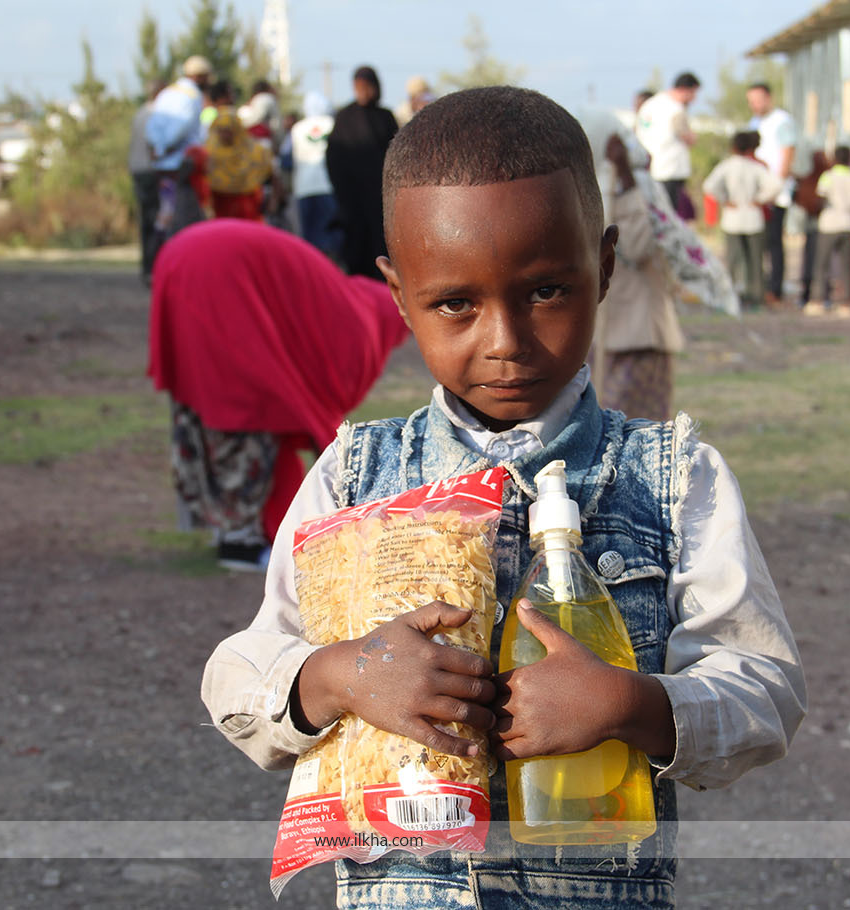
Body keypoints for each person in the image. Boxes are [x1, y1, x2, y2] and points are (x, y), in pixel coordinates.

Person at [202, 85, 805, 907]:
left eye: (546, 291)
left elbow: (765, 687)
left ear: (604, 267)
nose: (506, 341)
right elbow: (237, 672)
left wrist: (634, 704)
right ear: (399, 294)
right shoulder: (350, 475)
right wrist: (340, 675)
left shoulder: (675, 479)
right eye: (456, 303)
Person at [147, 220, 409, 571]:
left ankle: (229, 527)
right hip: (218, 273)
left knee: (207, 392)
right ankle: (240, 540)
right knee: (249, 403)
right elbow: (329, 384)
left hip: (183, 258)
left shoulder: (344, 294)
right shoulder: (360, 321)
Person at [584, 113, 685, 420]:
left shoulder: (642, 189)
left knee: (637, 429)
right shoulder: (583, 188)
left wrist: (626, 176)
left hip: (640, 335)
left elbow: (639, 246)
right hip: (600, 335)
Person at [325, 65, 398, 280]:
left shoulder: (385, 117)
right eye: (358, 87)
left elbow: (396, 153)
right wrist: (342, 192)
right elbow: (334, 157)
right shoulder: (345, 118)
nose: (363, 92)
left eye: (367, 87)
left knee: (381, 247)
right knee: (356, 247)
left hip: (381, 198)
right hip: (352, 199)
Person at [703, 130, 783, 309]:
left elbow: (709, 185)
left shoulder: (726, 166)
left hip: (732, 218)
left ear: (733, 147)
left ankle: (731, 296)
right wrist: (759, 199)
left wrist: (724, 199)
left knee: (733, 260)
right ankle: (756, 296)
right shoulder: (755, 167)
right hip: (753, 217)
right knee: (755, 260)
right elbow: (776, 185)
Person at [145, 56, 211, 246]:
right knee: (184, 214)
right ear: (199, 76)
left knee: (166, 211)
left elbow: (152, 126)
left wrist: (159, 149)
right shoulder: (192, 95)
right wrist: (166, 148)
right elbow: (181, 127)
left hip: (163, 164)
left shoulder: (166, 93)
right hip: (183, 163)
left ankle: (160, 252)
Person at [746, 83, 797, 305]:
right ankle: (760, 285)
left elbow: (787, 154)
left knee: (774, 242)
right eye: (751, 101)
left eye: (758, 100)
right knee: (760, 242)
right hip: (757, 194)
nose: (754, 105)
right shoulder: (754, 123)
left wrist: (777, 186)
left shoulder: (781, 121)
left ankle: (775, 289)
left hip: (775, 193)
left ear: (768, 98)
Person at [190, 107, 280, 222]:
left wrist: (274, 200)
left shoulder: (255, 152)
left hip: (249, 212)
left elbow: (273, 175)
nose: (224, 135)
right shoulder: (209, 153)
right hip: (219, 210)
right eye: (220, 130)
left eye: (228, 130)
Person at [808, 145, 850, 310]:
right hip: (848, 223)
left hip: (829, 224)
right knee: (846, 266)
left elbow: (820, 198)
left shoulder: (827, 176)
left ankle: (817, 300)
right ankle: (845, 302)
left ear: (834, 159)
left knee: (822, 264)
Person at [635, 72, 699, 219]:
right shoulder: (676, 109)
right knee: (669, 216)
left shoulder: (650, 105)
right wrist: (693, 138)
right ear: (685, 90)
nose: (694, 99)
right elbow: (686, 136)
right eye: (693, 94)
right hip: (670, 170)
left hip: (648, 169)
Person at [289, 91, 340, 257]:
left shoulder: (297, 128)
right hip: (329, 186)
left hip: (304, 188)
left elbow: (286, 159)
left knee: (310, 241)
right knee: (332, 236)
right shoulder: (333, 124)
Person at [129, 81, 164, 284]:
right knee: (155, 220)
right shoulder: (157, 115)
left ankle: (147, 266)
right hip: (151, 171)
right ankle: (153, 266)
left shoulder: (140, 112)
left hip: (138, 170)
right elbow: (154, 145)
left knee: (147, 220)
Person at [793, 150, 829, 305]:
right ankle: (819, 295)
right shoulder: (818, 179)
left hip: (816, 224)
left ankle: (809, 295)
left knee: (812, 260)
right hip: (822, 225)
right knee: (821, 261)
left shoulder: (813, 179)